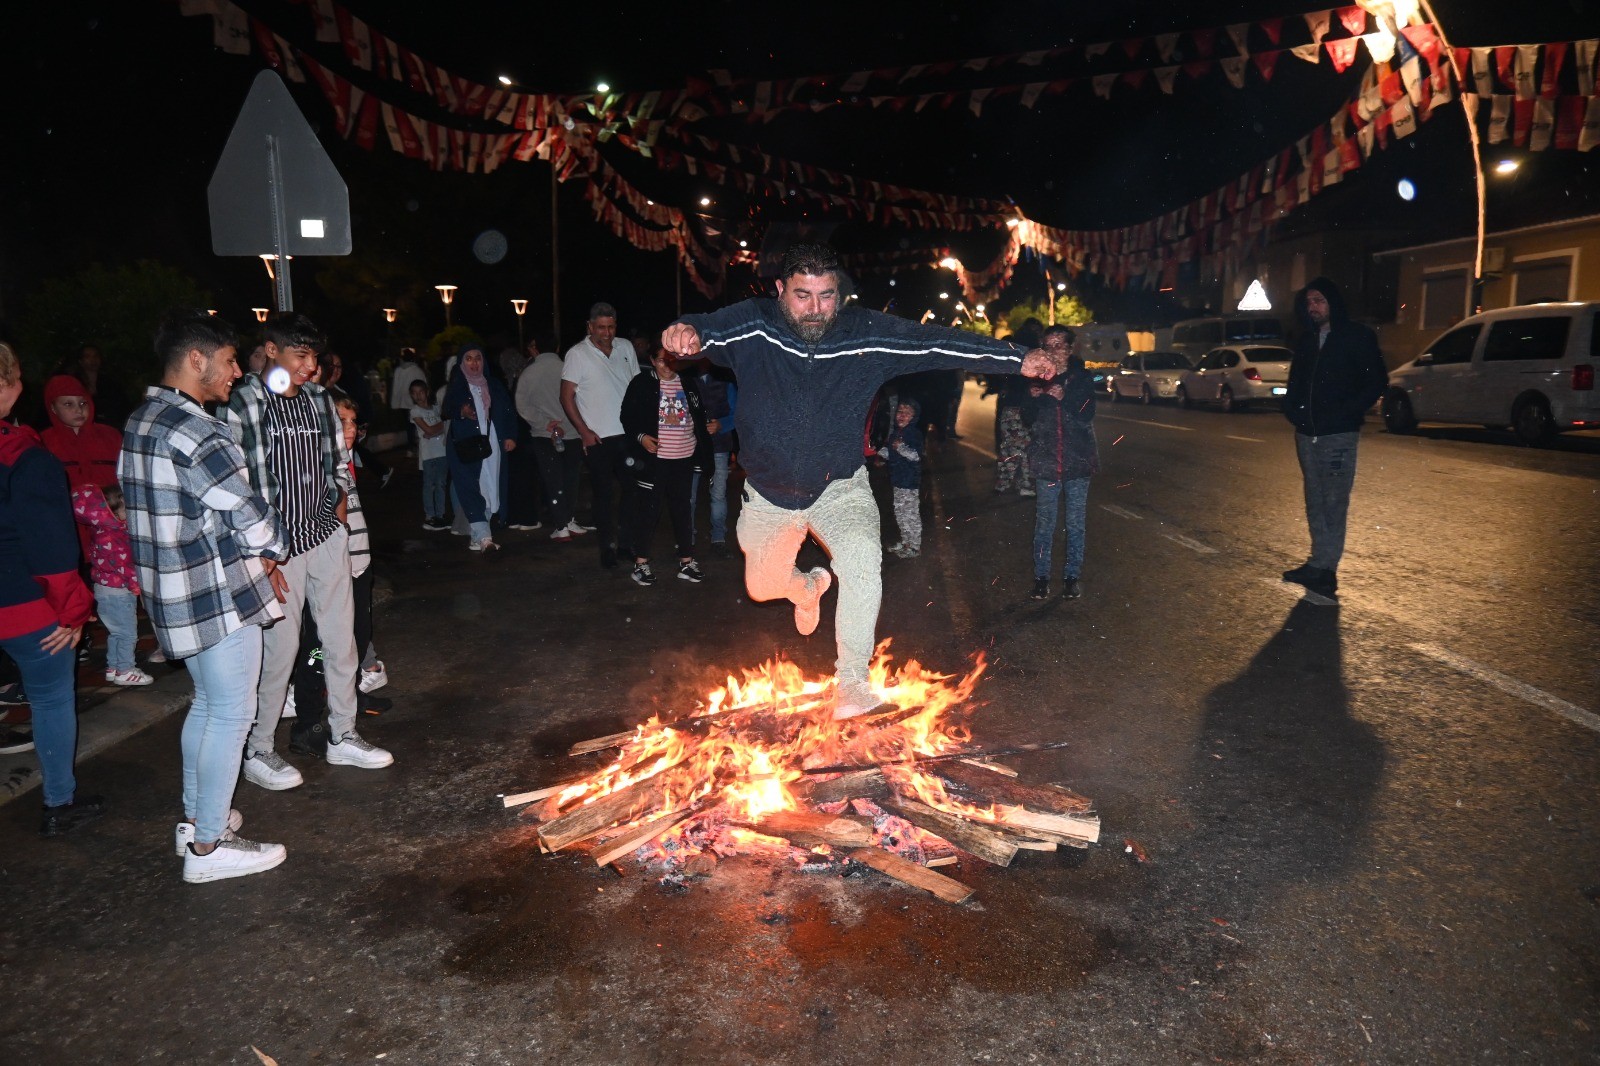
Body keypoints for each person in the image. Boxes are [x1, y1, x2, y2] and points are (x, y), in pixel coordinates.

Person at [661, 244, 1055, 718]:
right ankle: (806, 588)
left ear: (838, 294)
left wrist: (1016, 358)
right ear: (781, 290)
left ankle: (851, 684)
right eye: (802, 295)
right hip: (767, 495)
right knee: (762, 588)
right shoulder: (756, 324)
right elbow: (708, 328)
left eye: (826, 296)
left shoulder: (865, 333)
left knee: (864, 562)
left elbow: (936, 342)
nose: (814, 308)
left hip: (839, 488)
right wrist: (688, 330)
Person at [119, 311, 290, 881]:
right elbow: (245, 509)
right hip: (216, 591)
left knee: (208, 705)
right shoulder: (196, 429)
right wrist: (275, 547)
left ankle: (197, 821)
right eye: (230, 360)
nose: (239, 372)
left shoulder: (142, 421)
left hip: (171, 593)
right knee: (232, 713)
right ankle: (209, 848)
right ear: (197, 359)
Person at [226, 312, 393, 789]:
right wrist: (261, 554)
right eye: (300, 355)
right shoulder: (246, 404)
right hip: (278, 551)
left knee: (342, 642)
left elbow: (338, 462)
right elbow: (240, 485)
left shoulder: (320, 401)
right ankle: (258, 749)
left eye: (314, 356)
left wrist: (338, 504)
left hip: (324, 537)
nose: (310, 366)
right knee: (280, 652)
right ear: (272, 350)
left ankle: (343, 734)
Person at [0, 342, 101, 837]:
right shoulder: (25, 457)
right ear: (12, 386)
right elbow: (51, 548)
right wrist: (74, 612)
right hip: (22, 606)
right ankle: (59, 803)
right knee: (50, 699)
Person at [1281, 277, 1389, 600]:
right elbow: (1296, 383)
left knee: (1333, 502)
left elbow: (1376, 381)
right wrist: (1293, 411)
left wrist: (1347, 412)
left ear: (1333, 303)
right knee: (1314, 500)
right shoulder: (1306, 341)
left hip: (1338, 435)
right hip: (1307, 434)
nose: (1313, 307)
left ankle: (1327, 571)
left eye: (1319, 301)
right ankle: (1317, 562)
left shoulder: (1356, 337)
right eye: (1309, 302)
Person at [620, 346, 716, 586]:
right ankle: (640, 564)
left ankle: (686, 562)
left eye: (672, 360)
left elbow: (698, 414)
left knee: (683, 510)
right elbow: (627, 416)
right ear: (652, 360)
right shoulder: (642, 383)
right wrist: (641, 437)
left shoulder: (688, 382)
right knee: (649, 511)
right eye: (662, 360)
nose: (667, 365)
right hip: (654, 461)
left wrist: (708, 426)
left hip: (683, 458)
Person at [561, 303, 641, 568]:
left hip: (628, 436)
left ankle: (626, 545)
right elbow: (566, 397)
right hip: (598, 439)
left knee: (632, 491)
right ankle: (607, 548)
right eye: (601, 328)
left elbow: (637, 389)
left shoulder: (626, 347)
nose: (607, 333)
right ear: (590, 327)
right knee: (604, 495)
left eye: (611, 327)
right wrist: (584, 432)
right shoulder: (577, 354)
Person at [1023, 326, 1099, 600]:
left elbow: (1086, 414)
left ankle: (1071, 578)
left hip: (1078, 461)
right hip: (1046, 463)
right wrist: (1032, 400)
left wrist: (1065, 398)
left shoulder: (1081, 378)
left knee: (1075, 524)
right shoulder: (1036, 378)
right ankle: (1041, 577)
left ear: (1069, 348)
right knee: (1045, 524)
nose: (1054, 350)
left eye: (1059, 345)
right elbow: (1027, 419)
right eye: (1048, 345)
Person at [70, 482, 152, 685]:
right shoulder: (115, 535)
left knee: (116, 631)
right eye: (127, 510)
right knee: (127, 633)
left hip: (103, 590)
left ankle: (113, 667)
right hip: (118, 592)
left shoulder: (101, 530)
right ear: (112, 512)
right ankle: (125, 669)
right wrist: (137, 588)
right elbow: (126, 566)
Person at [443, 342, 520, 552]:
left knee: (490, 486)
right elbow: (446, 409)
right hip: (466, 447)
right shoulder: (457, 385)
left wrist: (511, 436)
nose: (474, 363)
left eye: (477, 358)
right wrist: (462, 411)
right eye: (468, 358)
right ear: (461, 362)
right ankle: (485, 538)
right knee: (471, 488)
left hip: (492, 443)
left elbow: (508, 412)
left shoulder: (494, 385)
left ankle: (478, 536)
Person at [514, 338, 590, 542]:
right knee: (571, 479)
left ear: (534, 348)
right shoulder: (567, 368)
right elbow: (581, 399)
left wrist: (544, 422)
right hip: (572, 431)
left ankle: (561, 525)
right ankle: (569, 519)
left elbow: (521, 404)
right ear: (557, 347)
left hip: (544, 434)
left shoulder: (529, 373)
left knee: (553, 479)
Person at [688, 363, 737, 557]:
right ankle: (687, 540)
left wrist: (722, 424)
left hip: (719, 444)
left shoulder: (726, 379)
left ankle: (718, 539)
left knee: (718, 494)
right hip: (689, 445)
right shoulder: (685, 376)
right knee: (688, 496)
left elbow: (737, 411)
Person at [995, 319, 1043, 496]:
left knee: (1009, 447)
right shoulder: (1033, 359)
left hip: (1010, 407)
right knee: (1025, 448)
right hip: (1023, 408)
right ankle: (1024, 484)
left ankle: (1003, 483)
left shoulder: (1012, 354)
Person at [880, 398, 924, 559]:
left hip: (909, 483)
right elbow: (891, 454)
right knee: (900, 514)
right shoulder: (895, 434)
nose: (902, 415)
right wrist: (878, 451)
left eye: (907, 413)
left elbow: (915, 456)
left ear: (914, 417)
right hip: (898, 481)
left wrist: (901, 447)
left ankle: (914, 546)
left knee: (910, 515)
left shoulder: (913, 434)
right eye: (900, 412)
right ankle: (906, 542)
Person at [409, 379, 449, 531]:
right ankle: (430, 515)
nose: (418, 396)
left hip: (442, 451)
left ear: (426, 392)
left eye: (421, 392)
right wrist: (440, 427)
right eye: (415, 393)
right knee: (429, 485)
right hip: (428, 454)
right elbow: (430, 430)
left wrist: (436, 429)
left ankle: (440, 514)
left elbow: (440, 427)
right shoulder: (415, 412)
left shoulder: (436, 408)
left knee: (441, 484)